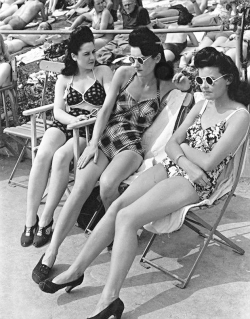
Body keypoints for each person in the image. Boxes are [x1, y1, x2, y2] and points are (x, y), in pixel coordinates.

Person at [37, 47, 250, 319]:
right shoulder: (202, 105)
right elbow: (173, 143)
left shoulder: (240, 116)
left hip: (199, 182)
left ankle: (109, 299)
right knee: (115, 208)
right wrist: (183, 157)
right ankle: (75, 271)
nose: (203, 86)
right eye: (200, 80)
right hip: (178, 167)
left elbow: (209, 163)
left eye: (210, 81)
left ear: (229, 79)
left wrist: (182, 152)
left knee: (127, 218)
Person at [32, 26, 191, 285]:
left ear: (156, 58)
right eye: (132, 58)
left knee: (107, 186)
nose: (136, 64)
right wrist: (93, 143)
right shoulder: (123, 74)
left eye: (141, 59)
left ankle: (115, 232)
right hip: (105, 135)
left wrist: (187, 86)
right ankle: (50, 254)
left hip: (130, 144)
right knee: (80, 188)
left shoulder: (166, 83)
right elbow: (105, 110)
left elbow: (195, 90)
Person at [20, 26, 113, 248]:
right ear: (74, 56)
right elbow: (57, 110)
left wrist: (81, 123)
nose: (92, 57)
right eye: (86, 54)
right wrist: (71, 121)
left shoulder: (103, 72)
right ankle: (30, 219)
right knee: (43, 154)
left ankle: (46, 218)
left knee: (61, 157)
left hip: (88, 129)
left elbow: (109, 103)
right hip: (66, 123)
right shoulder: (65, 76)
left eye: (93, 52)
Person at [96, 0, 151, 65]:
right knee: (101, 51)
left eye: (129, 4)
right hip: (121, 36)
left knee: (114, 53)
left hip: (133, 38)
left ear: (135, 3)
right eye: (125, 5)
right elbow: (125, 25)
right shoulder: (123, 10)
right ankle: (95, 61)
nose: (127, 7)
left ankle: (101, 63)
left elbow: (149, 28)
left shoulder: (141, 11)